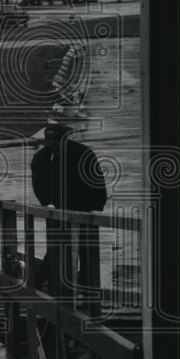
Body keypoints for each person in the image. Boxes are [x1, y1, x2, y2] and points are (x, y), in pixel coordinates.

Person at [30, 115, 108, 295]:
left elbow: (96, 180)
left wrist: (96, 203)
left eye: (56, 141)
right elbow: (39, 184)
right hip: (58, 210)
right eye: (49, 140)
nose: (53, 145)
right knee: (55, 249)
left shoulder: (83, 153)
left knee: (86, 251)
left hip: (83, 209)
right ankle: (42, 289)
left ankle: (89, 294)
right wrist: (48, 203)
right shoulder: (41, 158)